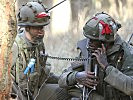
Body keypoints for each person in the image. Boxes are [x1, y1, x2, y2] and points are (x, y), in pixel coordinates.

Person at [58, 12, 133, 100]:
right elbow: (62, 79)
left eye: (93, 40)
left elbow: (131, 88)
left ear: (106, 42)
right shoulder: (89, 50)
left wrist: (106, 67)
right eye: (88, 38)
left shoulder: (127, 53)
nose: (89, 43)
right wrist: (77, 76)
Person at [11, 1, 71, 100]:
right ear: (27, 27)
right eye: (37, 28)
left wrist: (67, 79)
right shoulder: (15, 46)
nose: (41, 31)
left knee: (66, 91)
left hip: (35, 91)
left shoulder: (38, 43)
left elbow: (43, 74)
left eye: (42, 27)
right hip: (18, 95)